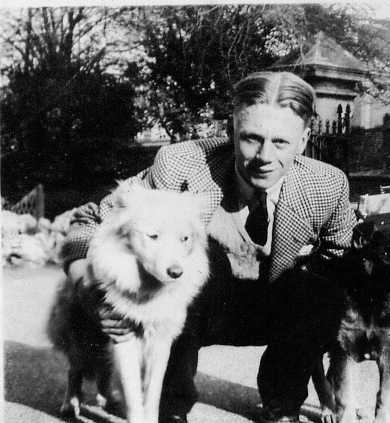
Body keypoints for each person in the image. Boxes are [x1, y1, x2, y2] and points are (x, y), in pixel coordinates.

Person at [61, 71, 357, 423]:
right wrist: (88, 290)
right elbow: (91, 220)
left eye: (281, 142)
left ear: (304, 140)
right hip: (202, 306)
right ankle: (170, 408)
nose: (264, 156)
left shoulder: (326, 186)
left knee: (323, 288)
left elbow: (342, 265)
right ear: (232, 130)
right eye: (251, 138)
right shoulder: (181, 165)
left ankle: (282, 404)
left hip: (275, 307)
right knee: (199, 257)